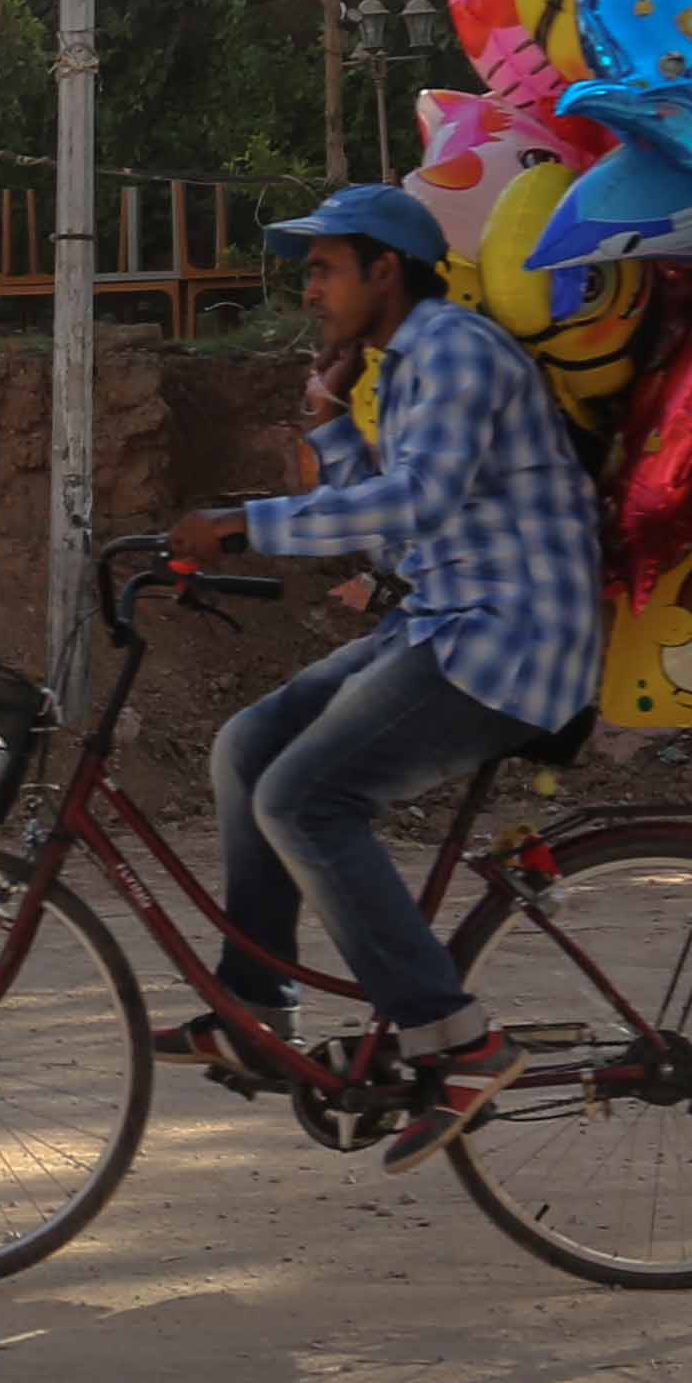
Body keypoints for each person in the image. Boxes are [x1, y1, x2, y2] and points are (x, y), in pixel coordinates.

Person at [158, 182, 605, 1167]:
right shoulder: (405, 365)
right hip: (447, 619)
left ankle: (459, 1039)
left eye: (323, 269)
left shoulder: (453, 348)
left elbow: (417, 500)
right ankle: (255, 1009)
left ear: (384, 271)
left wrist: (242, 521)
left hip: (510, 636)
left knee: (306, 800)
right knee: (247, 748)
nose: (309, 290)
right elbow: (399, 524)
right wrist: (328, 420)